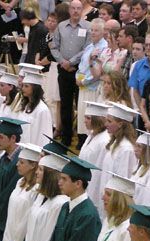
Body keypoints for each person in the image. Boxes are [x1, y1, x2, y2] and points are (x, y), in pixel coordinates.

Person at [50, 0, 91, 147]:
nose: (75, 11)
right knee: (65, 105)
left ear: (82, 10)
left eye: (78, 8)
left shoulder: (88, 27)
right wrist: (63, 62)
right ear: (69, 10)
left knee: (80, 105)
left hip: (79, 71)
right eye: (73, 8)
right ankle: (66, 138)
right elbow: (54, 47)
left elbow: (88, 48)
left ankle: (81, 139)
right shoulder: (61, 26)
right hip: (63, 70)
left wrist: (71, 62)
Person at [76, 18, 108, 146]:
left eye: (96, 30)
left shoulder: (104, 47)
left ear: (102, 32)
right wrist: (77, 78)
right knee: (83, 118)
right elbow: (81, 65)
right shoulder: (89, 46)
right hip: (82, 85)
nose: (93, 33)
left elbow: (98, 72)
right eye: (92, 30)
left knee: (92, 118)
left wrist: (84, 82)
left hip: (92, 87)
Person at [100, 102, 139, 203]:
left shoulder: (126, 149)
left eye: (109, 121)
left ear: (120, 124)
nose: (105, 124)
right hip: (107, 196)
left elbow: (123, 180)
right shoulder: (114, 144)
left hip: (115, 200)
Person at [79, 101, 111, 211]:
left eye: (88, 118)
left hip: (93, 187)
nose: (85, 121)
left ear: (97, 120)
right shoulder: (91, 135)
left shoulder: (104, 140)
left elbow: (99, 170)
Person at [17, 71, 53, 148]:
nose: (23, 88)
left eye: (26, 86)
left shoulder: (42, 110)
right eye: (23, 86)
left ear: (35, 88)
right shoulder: (25, 106)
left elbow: (44, 135)